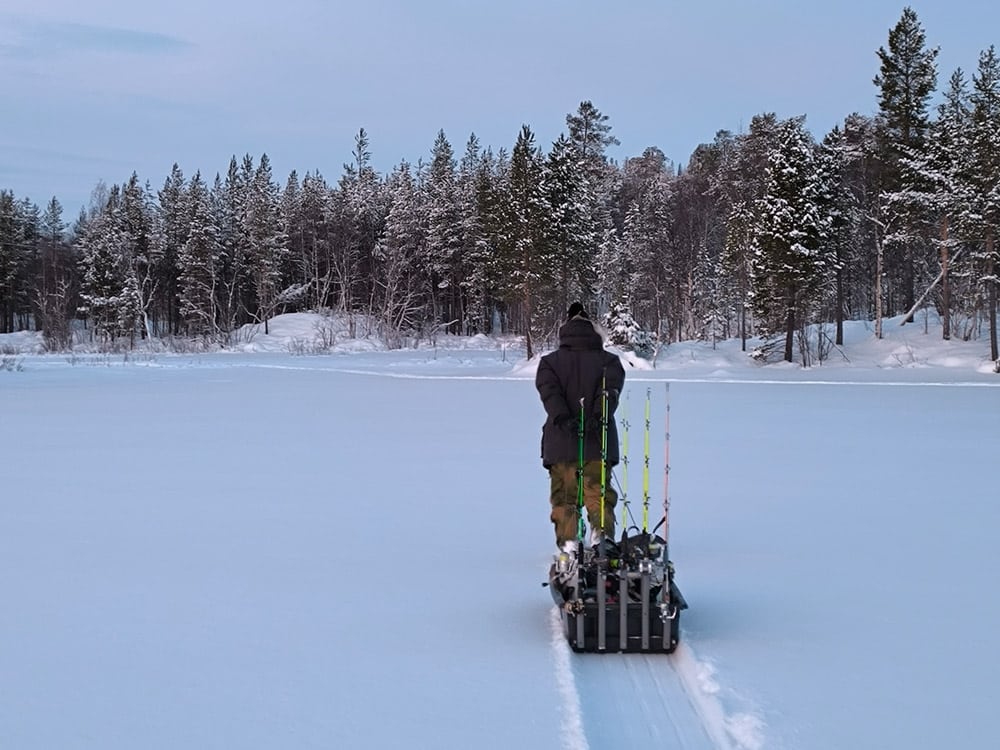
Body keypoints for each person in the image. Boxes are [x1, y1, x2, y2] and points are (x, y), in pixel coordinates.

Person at [536, 302, 625, 554]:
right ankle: (602, 536)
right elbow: (609, 394)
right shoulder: (610, 362)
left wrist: (564, 419)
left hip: (560, 442)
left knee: (565, 496)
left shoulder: (549, 363)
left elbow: (549, 394)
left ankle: (569, 542)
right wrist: (598, 418)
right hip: (599, 441)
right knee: (598, 494)